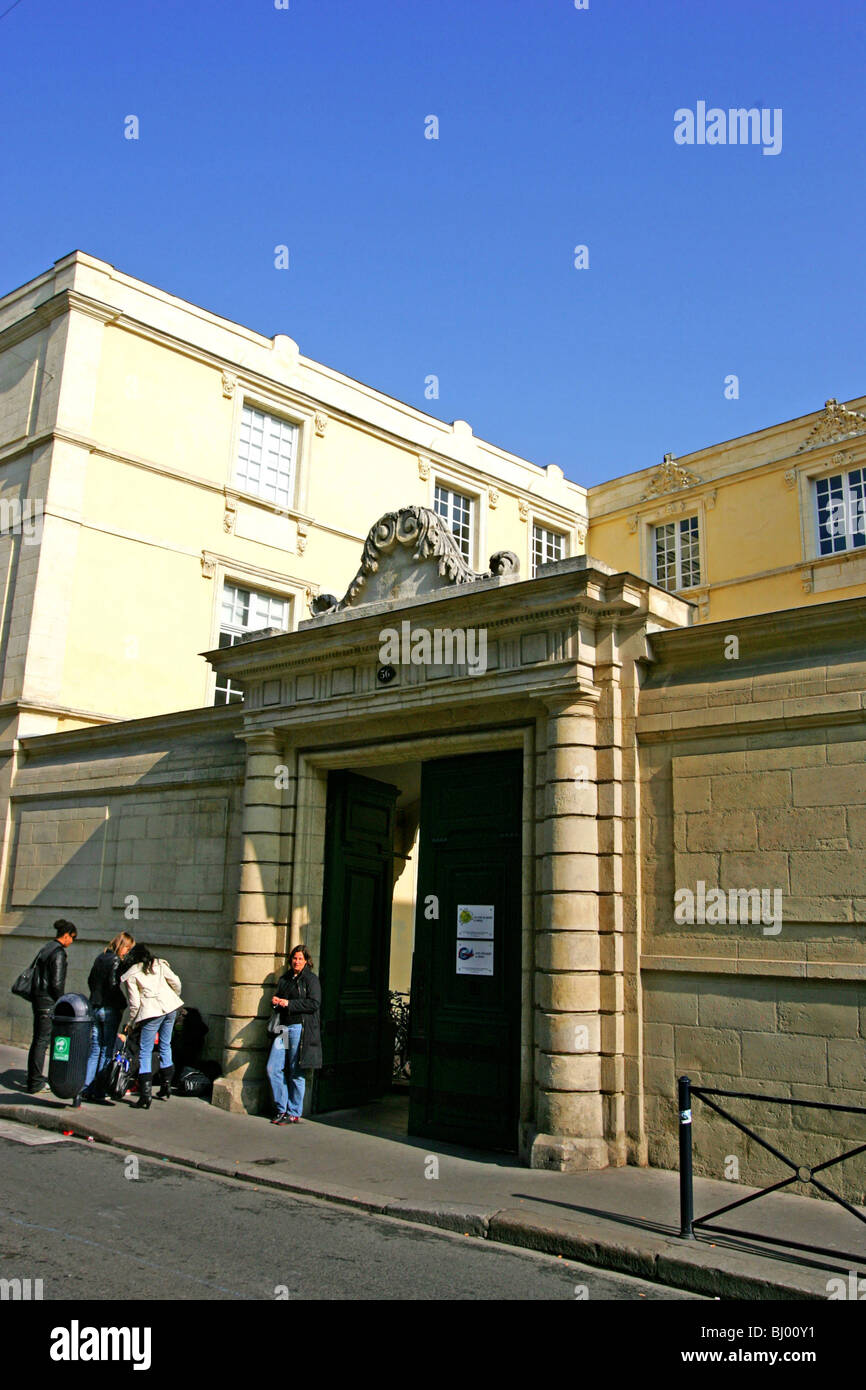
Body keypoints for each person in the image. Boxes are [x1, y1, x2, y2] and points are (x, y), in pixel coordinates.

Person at [120, 944, 183, 1110]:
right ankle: (166, 1085)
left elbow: (134, 1004)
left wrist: (131, 1023)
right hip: (170, 1007)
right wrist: (172, 996)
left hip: (151, 1011)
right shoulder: (159, 964)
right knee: (165, 1044)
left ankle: (145, 1095)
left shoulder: (132, 973)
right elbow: (176, 982)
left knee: (145, 1050)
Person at [267, 944, 322, 1125]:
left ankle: (294, 1111)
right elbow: (279, 1000)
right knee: (273, 1067)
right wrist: (276, 1002)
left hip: (299, 1028)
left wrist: (288, 1004)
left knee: (295, 1070)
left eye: (300, 959)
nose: (297, 961)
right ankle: (281, 1108)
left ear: (306, 961)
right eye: (294, 958)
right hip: (283, 1028)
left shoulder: (311, 980)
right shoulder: (285, 979)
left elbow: (314, 1003)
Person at [81, 931, 135, 1103]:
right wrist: (122, 1004)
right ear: (122, 945)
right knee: (106, 1050)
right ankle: (99, 1088)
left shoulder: (100, 957)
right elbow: (113, 986)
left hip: (95, 1006)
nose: (127, 952)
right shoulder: (115, 961)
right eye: (127, 948)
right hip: (109, 1009)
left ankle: (86, 1086)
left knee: (95, 1048)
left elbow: (90, 980)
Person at [26, 920, 77, 1094]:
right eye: (73, 938)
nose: (72, 942)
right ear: (66, 935)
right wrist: (61, 1001)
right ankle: (36, 1082)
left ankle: (33, 1079)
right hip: (48, 1003)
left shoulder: (46, 948)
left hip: (38, 1000)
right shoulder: (59, 953)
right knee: (42, 1042)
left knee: (37, 1040)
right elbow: (56, 983)